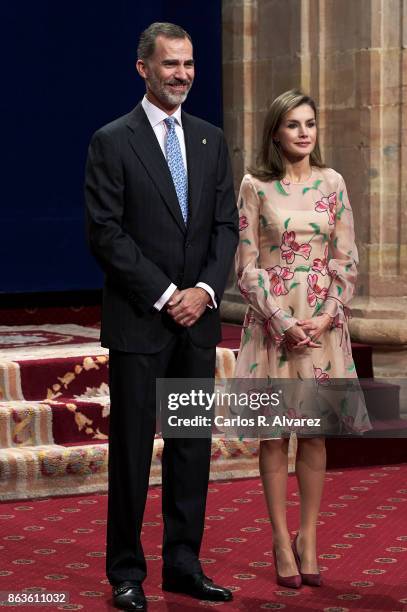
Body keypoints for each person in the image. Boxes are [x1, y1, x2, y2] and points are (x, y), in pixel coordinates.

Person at [85, 22, 238, 611]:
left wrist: (202, 290)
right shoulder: (112, 140)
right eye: (171, 64)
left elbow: (225, 227)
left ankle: (183, 564)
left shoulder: (210, 140)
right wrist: (167, 292)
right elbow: (105, 232)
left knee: (190, 447)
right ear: (143, 68)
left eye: (190, 64)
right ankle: (126, 571)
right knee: (129, 453)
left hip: (195, 324)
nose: (183, 74)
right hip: (140, 323)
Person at [234, 89, 371, 589]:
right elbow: (245, 265)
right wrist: (280, 319)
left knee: (313, 433)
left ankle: (308, 537)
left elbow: (347, 257)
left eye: (309, 123)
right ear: (276, 132)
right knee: (274, 435)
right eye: (293, 124)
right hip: (275, 327)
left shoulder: (332, 182)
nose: (304, 132)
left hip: (322, 326)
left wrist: (329, 314)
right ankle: (279, 537)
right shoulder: (255, 185)